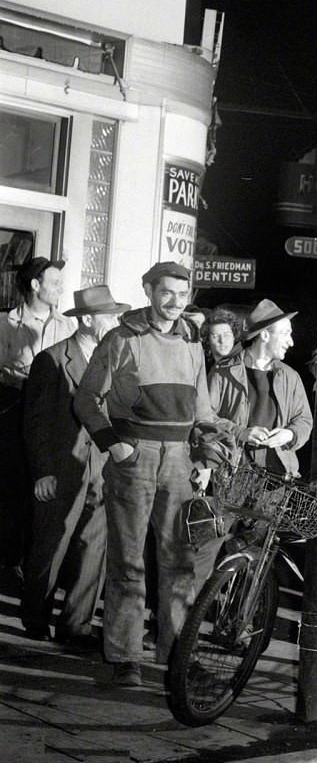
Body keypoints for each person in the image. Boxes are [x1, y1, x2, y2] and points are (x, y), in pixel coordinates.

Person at [74, 261, 229, 688]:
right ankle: (125, 656)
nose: (176, 303)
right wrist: (114, 444)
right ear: (148, 290)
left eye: (183, 294)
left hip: (179, 460)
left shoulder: (192, 342)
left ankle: (176, 653)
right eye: (167, 293)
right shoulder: (121, 338)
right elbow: (87, 400)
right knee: (128, 561)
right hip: (134, 458)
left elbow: (203, 410)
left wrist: (207, 454)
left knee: (179, 562)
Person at [20, 284, 131, 644]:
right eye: (109, 316)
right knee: (51, 544)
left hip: (101, 469)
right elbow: (35, 422)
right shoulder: (52, 359)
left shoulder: (114, 362)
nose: (115, 322)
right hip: (61, 468)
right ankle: (35, 617)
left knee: (93, 547)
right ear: (85, 320)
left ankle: (76, 625)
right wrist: (43, 472)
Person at [0, 257, 76, 583]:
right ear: (35, 285)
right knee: (11, 489)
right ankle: (8, 560)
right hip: (12, 411)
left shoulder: (67, 325)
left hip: (50, 419)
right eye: (55, 283)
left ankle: (32, 566)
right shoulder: (6, 323)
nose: (61, 289)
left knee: (42, 489)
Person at [209, 298, 312, 478]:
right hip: (233, 472)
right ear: (264, 335)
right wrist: (240, 432)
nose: (291, 342)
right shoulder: (223, 372)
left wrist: (290, 434)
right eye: (285, 334)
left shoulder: (290, 376)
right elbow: (205, 417)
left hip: (279, 476)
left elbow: (304, 420)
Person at [202, 307, 242, 372]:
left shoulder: (243, 365)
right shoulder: (202, 365)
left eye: (227, 335)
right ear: (208, 339)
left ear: (234, 336)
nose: (222, 341)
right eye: (215, 336)